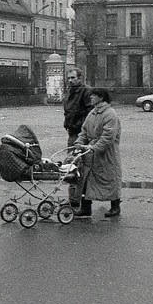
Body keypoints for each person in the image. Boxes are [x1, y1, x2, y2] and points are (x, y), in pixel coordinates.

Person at [73, 88, 122, 218]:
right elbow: (84, 131)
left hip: (106, 154)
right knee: (86, 179)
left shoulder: (110, 114)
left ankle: (115, 206)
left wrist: (94, 147)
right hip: (91, 152)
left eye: (93, 96)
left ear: (101, 98)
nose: (91, 98)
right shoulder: (92, 113)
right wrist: (78, 142)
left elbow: (108, 137)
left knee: (109, 179)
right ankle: (85, 207)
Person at [63, 67, 91, 208]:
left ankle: (78, 199)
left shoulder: (85, 91)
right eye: (69, 78)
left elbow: (89, 113)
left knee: (78, 166)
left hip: (80, 134)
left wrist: (80, 127)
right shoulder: (70, 91)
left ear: (80, 78)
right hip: (71, 132)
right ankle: (73, 198)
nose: (70, 80)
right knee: (71, 166)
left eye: (73, 78)